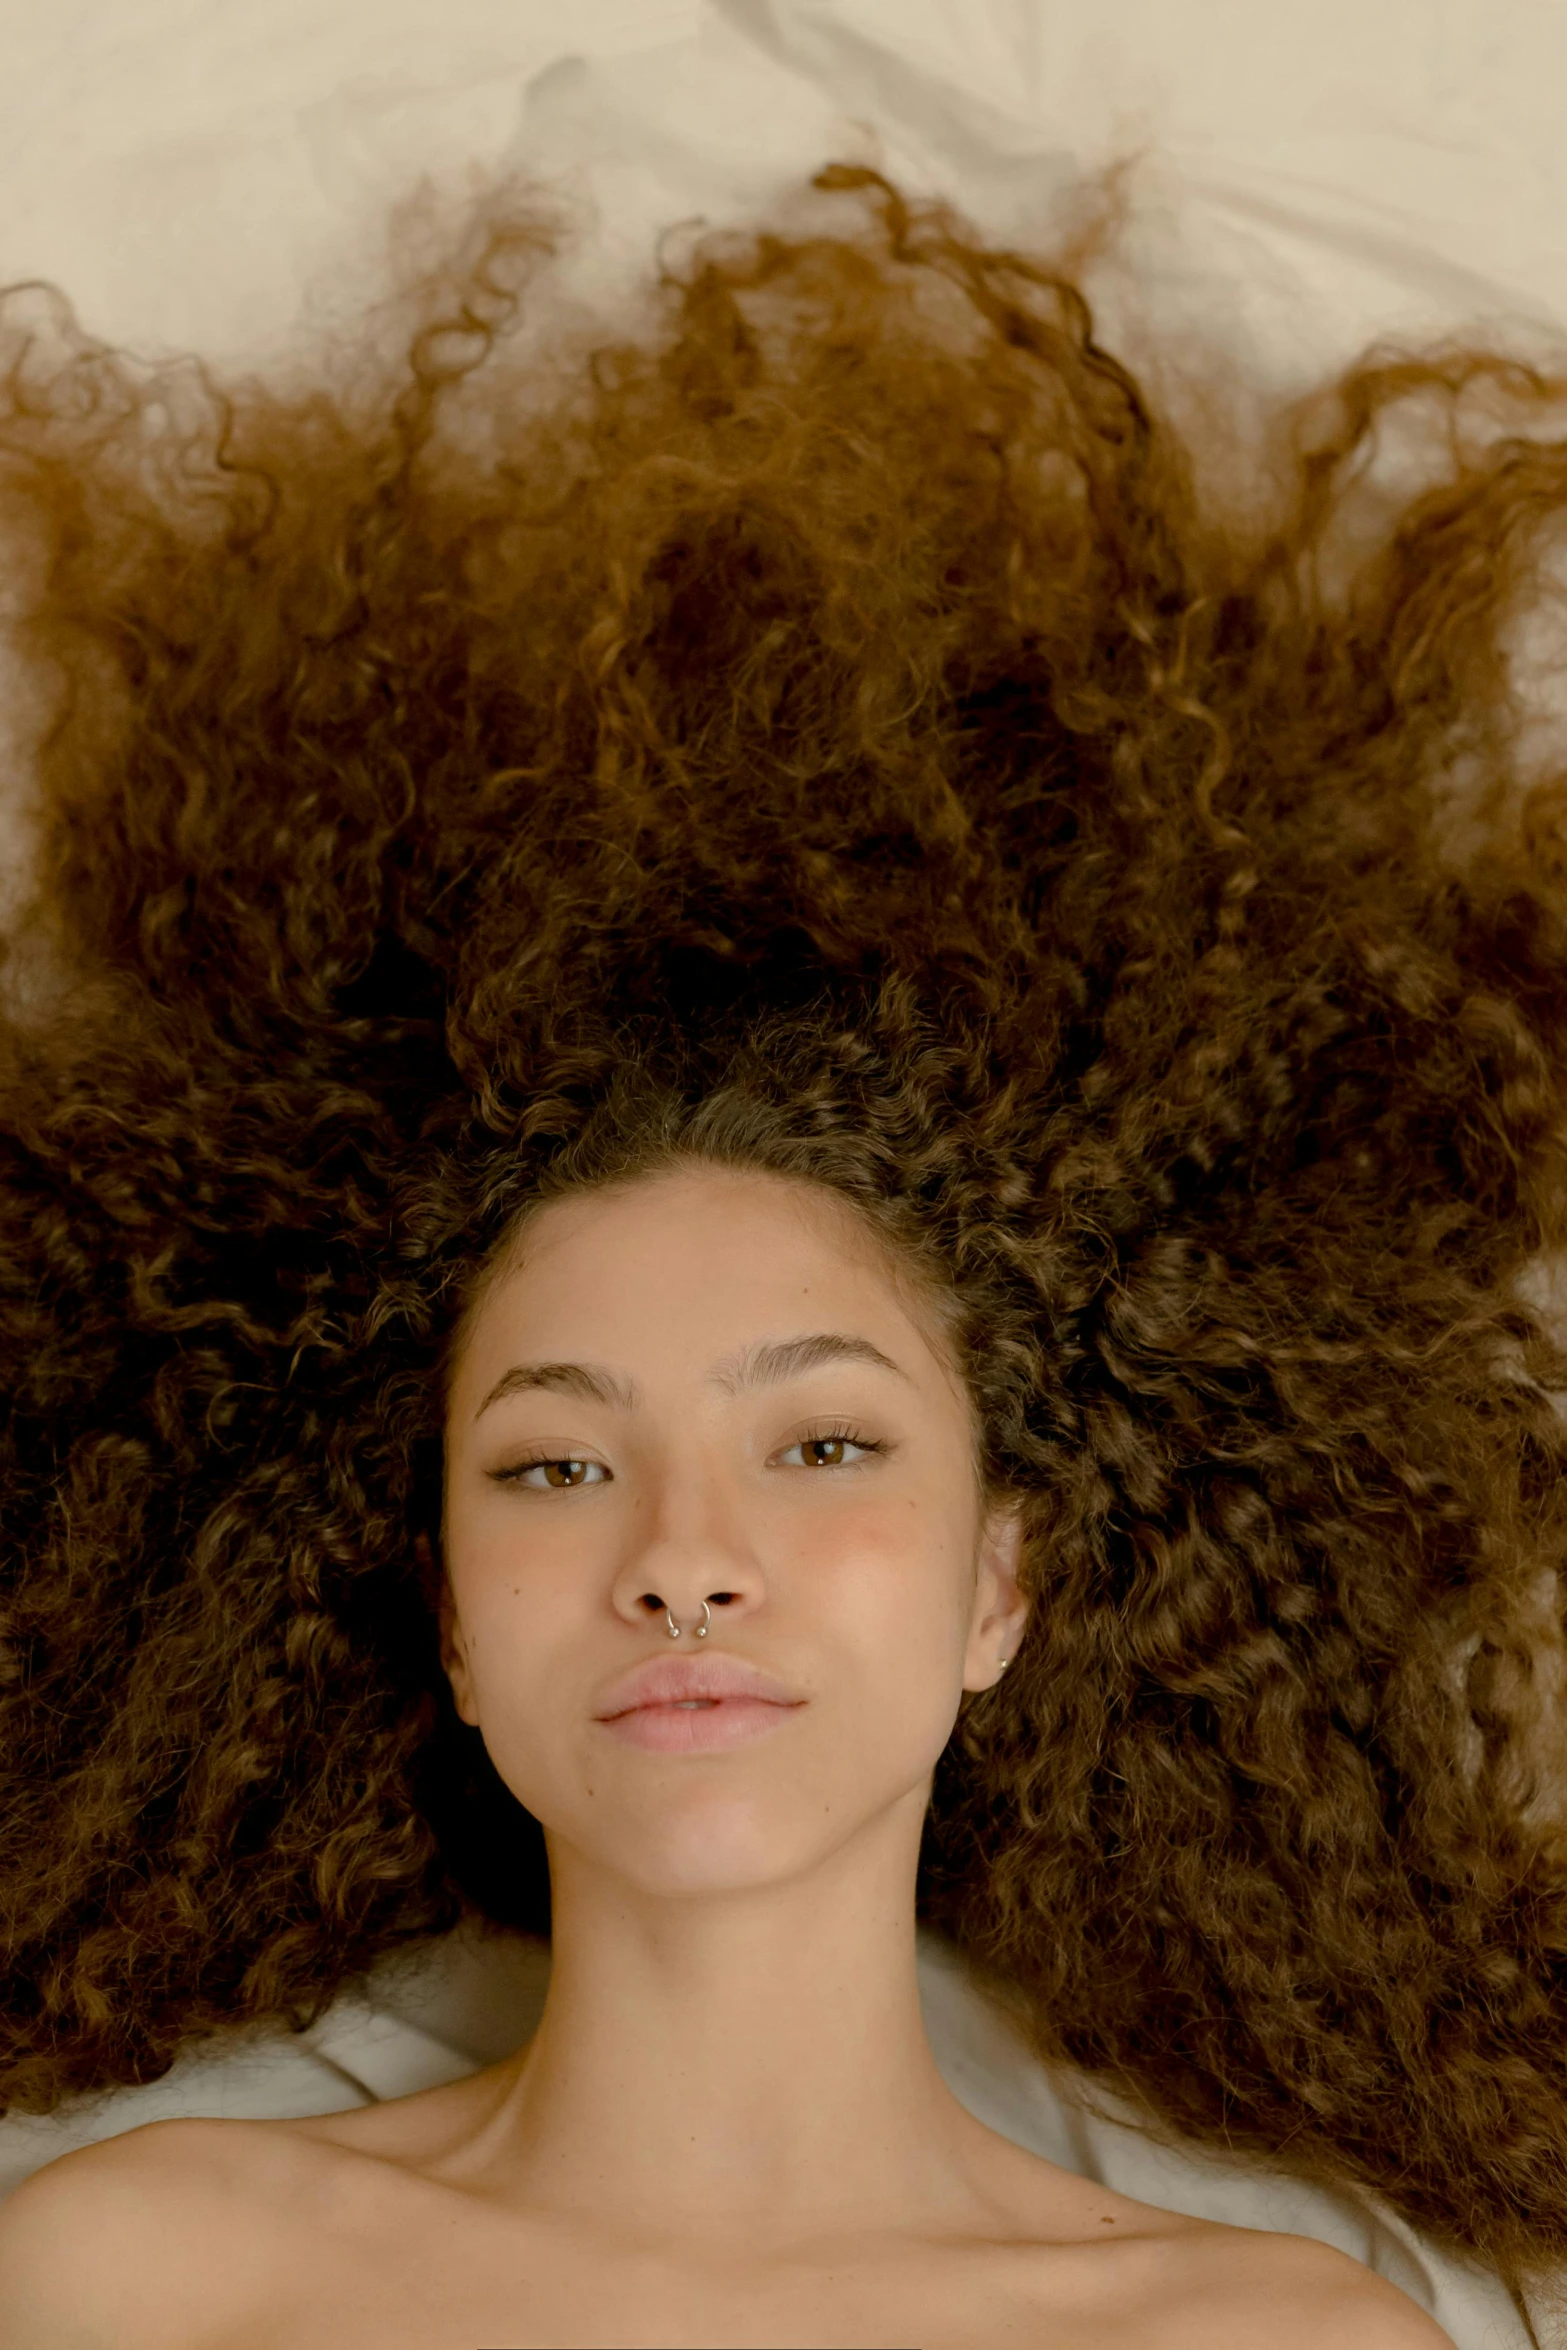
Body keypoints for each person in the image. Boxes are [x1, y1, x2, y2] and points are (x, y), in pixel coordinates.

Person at [0, 158, 1562, 2343]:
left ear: (1004, 1575)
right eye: (553, 1460)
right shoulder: (117, 2277)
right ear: (446, 1615)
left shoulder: (1280, 2340)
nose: (683, 1555)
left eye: (823, 1441)